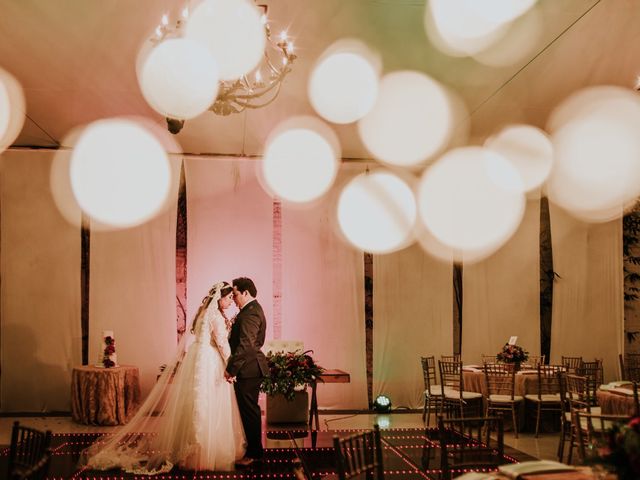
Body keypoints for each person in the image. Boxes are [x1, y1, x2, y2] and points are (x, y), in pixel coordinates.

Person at [82, 281, 246, 474]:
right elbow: (222, 345)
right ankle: (205, 453)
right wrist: (231, 367)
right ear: (219, 297)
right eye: (228, 298)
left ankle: (188, 451)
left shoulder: (202, 313)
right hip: (210, 362)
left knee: (193, 403)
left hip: (196, 360)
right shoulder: (216, 317)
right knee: (211, 404)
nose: (230, 302)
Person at [225, 277, 269, 467]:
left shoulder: (251, 313)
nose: (233, 298)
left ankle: (254, 454)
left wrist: (231, 369)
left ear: (245, 293)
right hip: (250, 368)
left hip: (249, 370)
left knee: (249, 412)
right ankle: (253, 450)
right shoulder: (251, 310)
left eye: (235, 294)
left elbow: (246, 345)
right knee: (248, 411)